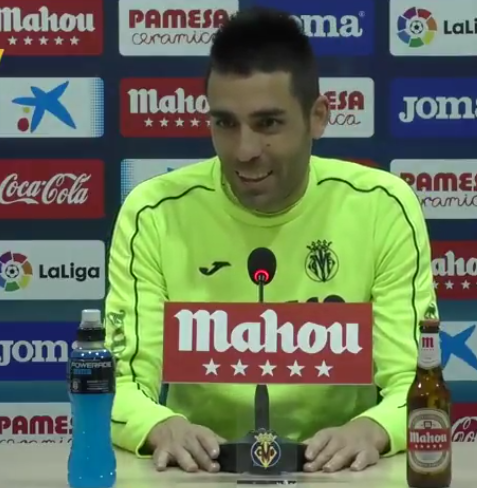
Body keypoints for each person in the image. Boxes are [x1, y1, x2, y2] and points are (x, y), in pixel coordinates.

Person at [104, 6, 437, 475]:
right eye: (225, 123)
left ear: (317, 117)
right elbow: (116, 383)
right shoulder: (154, 213)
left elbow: (416, 382)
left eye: (268, 124)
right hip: (200, 475)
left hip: (339, 474)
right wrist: (160, 426)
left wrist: (374, 429)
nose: (244, 151)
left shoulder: (383, 207)